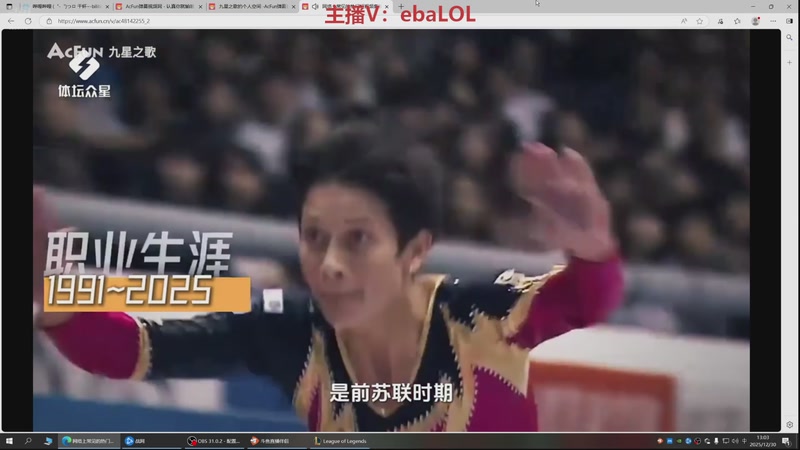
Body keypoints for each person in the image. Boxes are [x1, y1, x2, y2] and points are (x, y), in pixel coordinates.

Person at [33, 123, 625, 432]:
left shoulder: (478, 316)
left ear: (415, 250)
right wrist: (53, 294)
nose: (330, 264)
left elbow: (585, 300)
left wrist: (596, 251)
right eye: (314, 237)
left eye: (358, 239)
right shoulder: (288, 332)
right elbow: (134, 350)